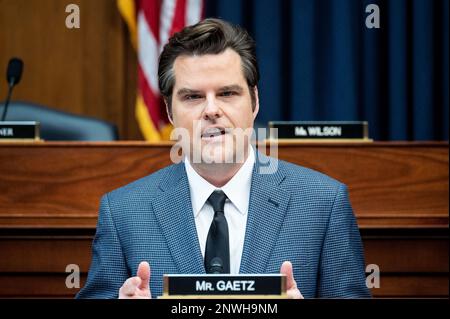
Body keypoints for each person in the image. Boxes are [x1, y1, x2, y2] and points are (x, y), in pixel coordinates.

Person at [76, 18, 370, 299]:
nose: (211, 110)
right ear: (169, 112)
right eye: (192, 97)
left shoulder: (323, 203)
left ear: (254, 102)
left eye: (227, 93)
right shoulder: (123, 212)